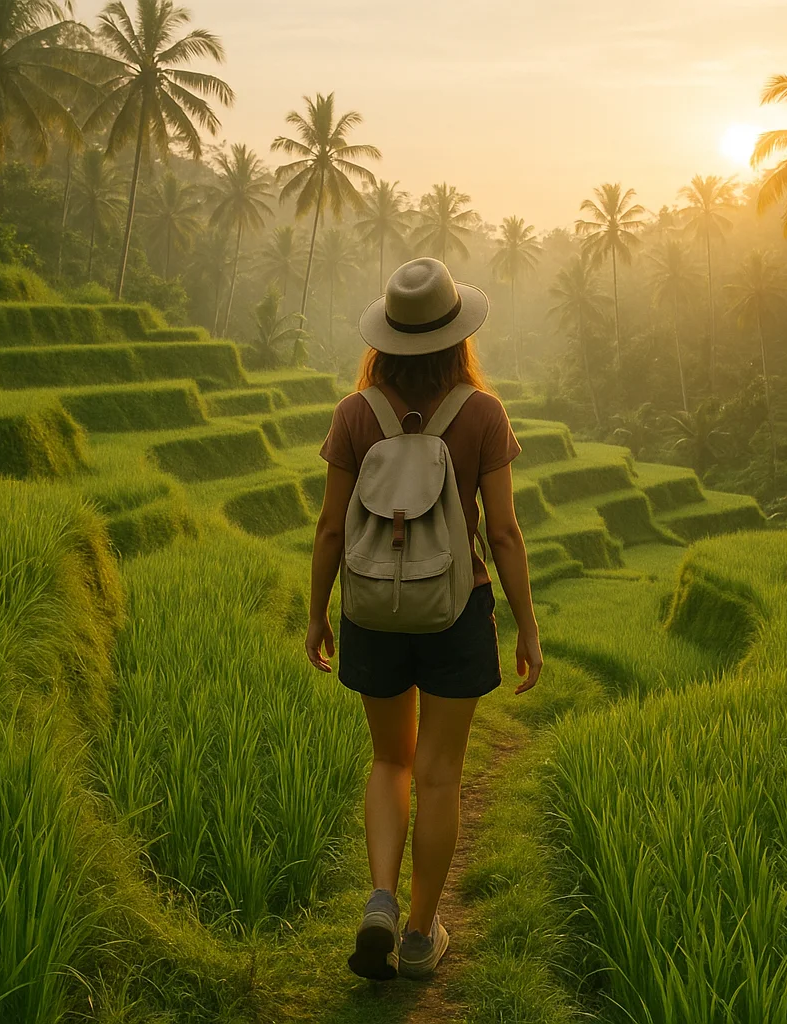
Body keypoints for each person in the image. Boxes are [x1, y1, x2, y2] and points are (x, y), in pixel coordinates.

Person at [305, 257, 543, 982]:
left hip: (372, 610)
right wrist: (527, 628)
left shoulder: (355, 414)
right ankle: (417, 936)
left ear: (386, 337)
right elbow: (503, 532)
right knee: (439, 775)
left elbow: (330, 529)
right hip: (456, 609)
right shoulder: (482, 413)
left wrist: (317, 615)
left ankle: (379, 897)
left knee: (389, 761)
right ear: (457, 333)